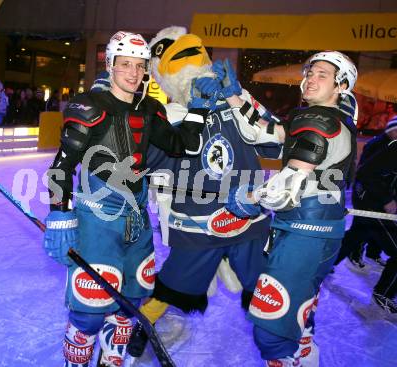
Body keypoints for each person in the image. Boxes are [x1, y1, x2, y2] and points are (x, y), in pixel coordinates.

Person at [42, 30, 214, 367]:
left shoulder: (150, 108)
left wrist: (199, 109)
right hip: (98, 218)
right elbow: (61, 165)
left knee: (131, 300)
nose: (134, 73)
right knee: (90, 312)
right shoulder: (89, 105)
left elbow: (184, 145)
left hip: (136, 216)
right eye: (125, 65)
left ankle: (111, 360)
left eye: (140, 66)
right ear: (110, 65)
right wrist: (60, 215)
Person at [125, 25, 281, 359]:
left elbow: (276, 140)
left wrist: (239, 98)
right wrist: (196, 111)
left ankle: (276, 345)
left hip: (247, 217)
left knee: (264, 285)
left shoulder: (236, 101)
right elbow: (152, 161)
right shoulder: (168, 114)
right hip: (199, 223)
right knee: (173, 285)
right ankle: (144, 323)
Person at [226, 51, 358, 366]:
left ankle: (290, 358)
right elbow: (265, 129)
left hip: (306, 232)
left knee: (270, 331)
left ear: (341, 86)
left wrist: (251, 197)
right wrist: (232, 96)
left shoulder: (321, 120)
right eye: (310, 72)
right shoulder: (313, 116)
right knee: (294, 307)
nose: (311, 78)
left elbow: (287, 186)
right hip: (307, 229)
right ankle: (304, 351)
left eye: (322, 74)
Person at [334, 113, 397, 316]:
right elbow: (366, 173)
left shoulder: (386, 143)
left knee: (357, 234)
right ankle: (383, 293)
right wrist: (387, 198)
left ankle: (324, 264)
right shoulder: (390, 146)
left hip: (370, 201)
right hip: (374, 204)